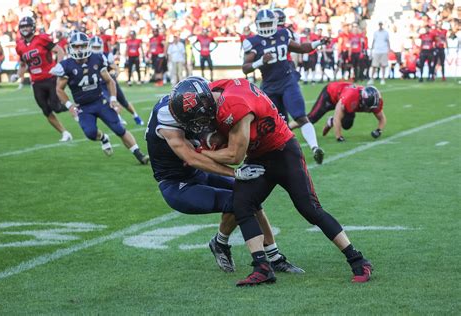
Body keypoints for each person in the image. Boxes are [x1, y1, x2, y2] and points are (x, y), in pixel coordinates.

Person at [169, 77, 373, 286]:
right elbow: (227, 134)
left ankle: (358, 260)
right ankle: (262, 268)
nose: (199, 124)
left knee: (309, 208)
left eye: (198, 118)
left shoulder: (233, 105)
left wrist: (201, 152)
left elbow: (234, 156)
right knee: (242, 204)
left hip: (283, 152)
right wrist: (213, 140)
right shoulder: (214, 90)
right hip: (259, 156)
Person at [146, 85, 303, 274]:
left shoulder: (198, 99)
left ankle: (272, 257)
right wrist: (234, 173)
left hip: (199, 172)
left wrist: (267, 123)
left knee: (251, 198)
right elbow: (192, 158)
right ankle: (244, 254)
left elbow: (222, 129)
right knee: (238, 202)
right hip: (176, 184)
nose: (204, 121)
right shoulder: (168, 119)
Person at [51, 32, 148, 164]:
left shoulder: (97, 58)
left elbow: (110, 81)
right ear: (71, 47)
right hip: (83, 107)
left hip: (100, 101)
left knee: (119, 129)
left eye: (83, 46)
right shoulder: (66, 65)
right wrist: (70, 105)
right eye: (76, 46)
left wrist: (113, 99)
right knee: (90, 133)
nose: (79, 50)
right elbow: (59, 89)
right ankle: (103, 138)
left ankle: (139, 154)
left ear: (88, 46)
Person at [242, 9, 325, 164]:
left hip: (287, 81)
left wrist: (318, 43)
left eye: (269, 23)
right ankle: (282, 154)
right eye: (263, 24)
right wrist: (260, 62)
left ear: (275, 23)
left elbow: (301, 48)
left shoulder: (283, 34)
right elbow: (245, 67)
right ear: (258, 25)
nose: (266, 26)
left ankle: (315, 148)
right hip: (269, 85)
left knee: (300, 116)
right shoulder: (253, 42)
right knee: (276, 124)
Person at [13, 16, 73, 142]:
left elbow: (60, 51)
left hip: (50, 77)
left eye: (27, 26)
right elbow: (23, 64)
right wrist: (17, 75)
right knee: (46, 110)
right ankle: (64, 133)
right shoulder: (19, 46)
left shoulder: (41, 38)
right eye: (22, 27)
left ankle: (74, 107)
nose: (25, 29)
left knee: (56, 107)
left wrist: (59, 67)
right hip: (36, 82)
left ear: (33, 27)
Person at [89, 36, 145, 126]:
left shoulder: (106, 55)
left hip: (111, 83)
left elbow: (115, 67)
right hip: (100, 85)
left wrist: (115, 73)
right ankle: (118, 119)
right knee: (108, 102)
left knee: (123, 102)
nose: (95, 49)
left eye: (97, 47)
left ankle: (135, 116)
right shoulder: (88, 59)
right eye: (94, 47)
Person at [307, 82, 386, 141]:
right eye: (368, 107)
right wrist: (339, 137)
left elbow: (381, 118)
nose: (369, 110)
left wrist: (379, 130)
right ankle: (294, 125)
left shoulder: (374, 102)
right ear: (362, 100)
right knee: (311, 119)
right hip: (330, 95)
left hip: (343, 99)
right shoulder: (351, 97)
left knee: (347, 124)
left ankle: (330, 121)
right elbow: (337, 117)